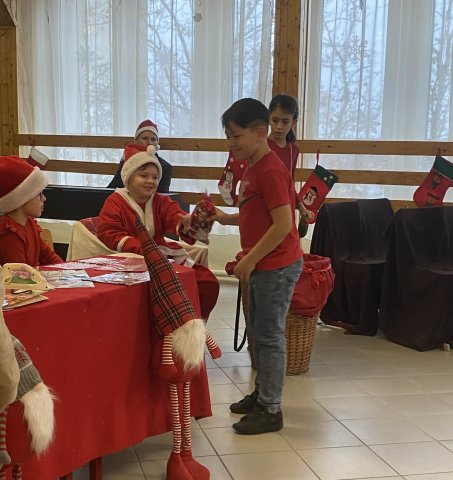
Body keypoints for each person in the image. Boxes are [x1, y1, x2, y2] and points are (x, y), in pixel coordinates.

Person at [213, 98, 303, 435]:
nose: (231, 143)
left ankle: (271, 409)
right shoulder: (251, 165)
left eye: (236, 136)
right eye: (228, 137)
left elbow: (283, 224)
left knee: (269, 337)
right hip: (263, 264)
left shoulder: (271, 170)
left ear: (260, 132)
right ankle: (262, 393)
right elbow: (256, 213)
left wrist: (250, 259)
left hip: (276, 266)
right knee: (259, 333)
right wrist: (224, 217)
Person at [97, 143, 219, 321]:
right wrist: (142, 248)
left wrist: (188, 223)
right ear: (128, 178)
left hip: (161, 256)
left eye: (155, 177)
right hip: (129, 261)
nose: (150, 181)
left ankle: (191, 325)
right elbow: (108, 232)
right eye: (144, 175)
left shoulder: (161, 201)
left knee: (207, 282)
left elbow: (175, 216)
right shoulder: (115, 201)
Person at [0, 156, 63, 266]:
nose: (44, 198)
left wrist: (68, 271)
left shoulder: (30, 223)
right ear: (22, 199)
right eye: (39, 194)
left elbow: (49, 257)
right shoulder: (9, 232)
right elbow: (19, 273)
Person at [107, 119, 172, 193]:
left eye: (153, 139)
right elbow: (113, 187)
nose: (149, 142)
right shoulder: (128, 160)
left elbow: (162, 195)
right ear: (136, 141)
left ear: (157, 143)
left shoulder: (164, 166)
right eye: (145, 138)